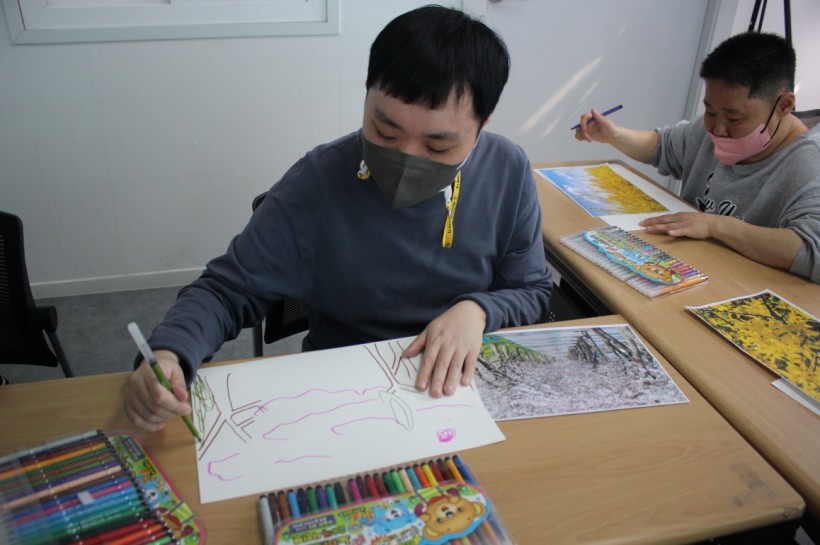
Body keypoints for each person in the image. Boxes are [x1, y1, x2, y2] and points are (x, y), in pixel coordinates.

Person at [125, 5, 553, 432]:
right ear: (366, 96)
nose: (406, 159)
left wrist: (478, 311)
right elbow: (226, 290)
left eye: (437, 148)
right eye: (385, 133)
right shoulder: (316, 182)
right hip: (344, 398)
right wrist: (170, 353)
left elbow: (533, 291)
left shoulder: (507, 170)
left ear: (481, 128)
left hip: (464, 390)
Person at [574, 32, 820, 283]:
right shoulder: (709, 129)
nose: (718, 129)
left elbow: (812, 253)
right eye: (710, 112)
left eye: (734, 119)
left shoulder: (810, 164)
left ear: (784, 106)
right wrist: (614, 135)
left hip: (740, 288)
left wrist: (716, 226)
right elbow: (663, 146)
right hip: (682, 273)